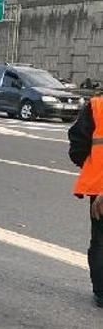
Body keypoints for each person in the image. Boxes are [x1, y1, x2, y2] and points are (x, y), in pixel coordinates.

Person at [68, 95, 103, 308]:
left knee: (101, 241)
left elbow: (78, 142)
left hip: (100, 188)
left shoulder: (97, 106)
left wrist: (91, 166)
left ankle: (101, 292)